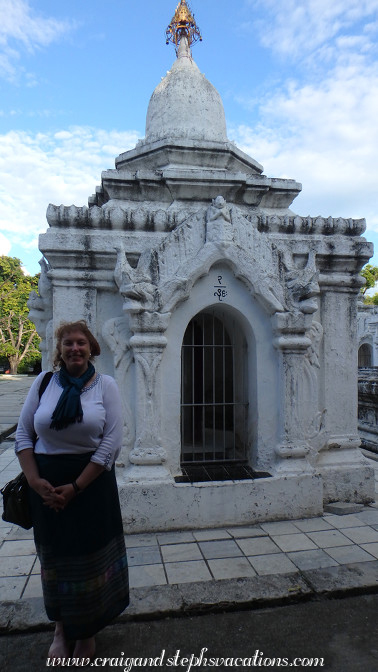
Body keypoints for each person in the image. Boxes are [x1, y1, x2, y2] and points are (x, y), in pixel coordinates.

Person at [15, 320, 129, 662]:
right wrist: (35, 481)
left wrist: (78, 486)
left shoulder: (104, 385)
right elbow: (23, 435)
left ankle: (87, 631)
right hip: (47, 487)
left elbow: (112, 441)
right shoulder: (43, 383)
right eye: (68, 343)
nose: (74, 348)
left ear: (91, 348)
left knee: (91, 558)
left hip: (91, 486)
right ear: (60, 350)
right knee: (56, 559)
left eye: (81, 343)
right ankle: (62, 629)